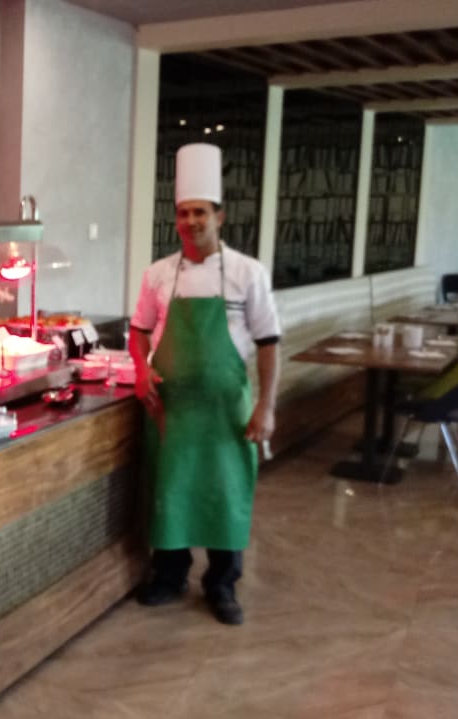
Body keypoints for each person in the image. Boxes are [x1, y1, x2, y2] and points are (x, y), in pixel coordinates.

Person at [128, 143, 281, 626]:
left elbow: (269, 342)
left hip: (225, 409)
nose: (191, 221)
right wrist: (140, 370)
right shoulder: (158, 274)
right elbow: (137, 332)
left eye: (200, 212)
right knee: (171, 491)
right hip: (171, 408)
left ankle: (222, 585)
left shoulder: (248, 273)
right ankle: (169, 576)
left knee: (225, 491)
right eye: (183, 213)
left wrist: (266, 407)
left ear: (220, 216)